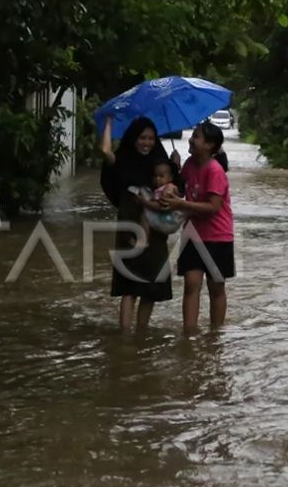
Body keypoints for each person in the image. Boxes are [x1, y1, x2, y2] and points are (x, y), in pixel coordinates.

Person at [99, 115, 182, 331]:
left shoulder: (160, 162)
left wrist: (175, 166)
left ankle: (141, 333)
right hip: (130, 229)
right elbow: (106, 153)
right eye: (142, 138)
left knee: (152, 286)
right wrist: (109, 123)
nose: (147, 143)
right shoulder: (123, 160)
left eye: (151, 138)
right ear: (133, 138)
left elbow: (174, 193)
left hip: (155, 233)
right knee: (129, 286)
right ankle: (126, 335)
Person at [162, 121, 234, 332]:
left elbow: (213, 207)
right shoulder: (190, 164)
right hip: (192, 235)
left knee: (216, 288)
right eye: (192, 135)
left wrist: (181, 204)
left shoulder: (215, 171)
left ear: (209, 145)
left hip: (218, 237)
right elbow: (182, 191)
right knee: (191, 285)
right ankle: (189, 333)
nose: (191, 140)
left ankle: (215, 334)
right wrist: (174, 170)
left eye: (196, 136)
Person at [128, 160, 183, 244]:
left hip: (170, 220)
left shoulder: (169, 188)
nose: (157, 179)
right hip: (165, 218)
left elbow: (161, 206)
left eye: (161, 176)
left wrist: (143, 201)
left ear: (170, 178)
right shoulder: (160, 189)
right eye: (155, 176)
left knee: (145, 216)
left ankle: (143, 241)